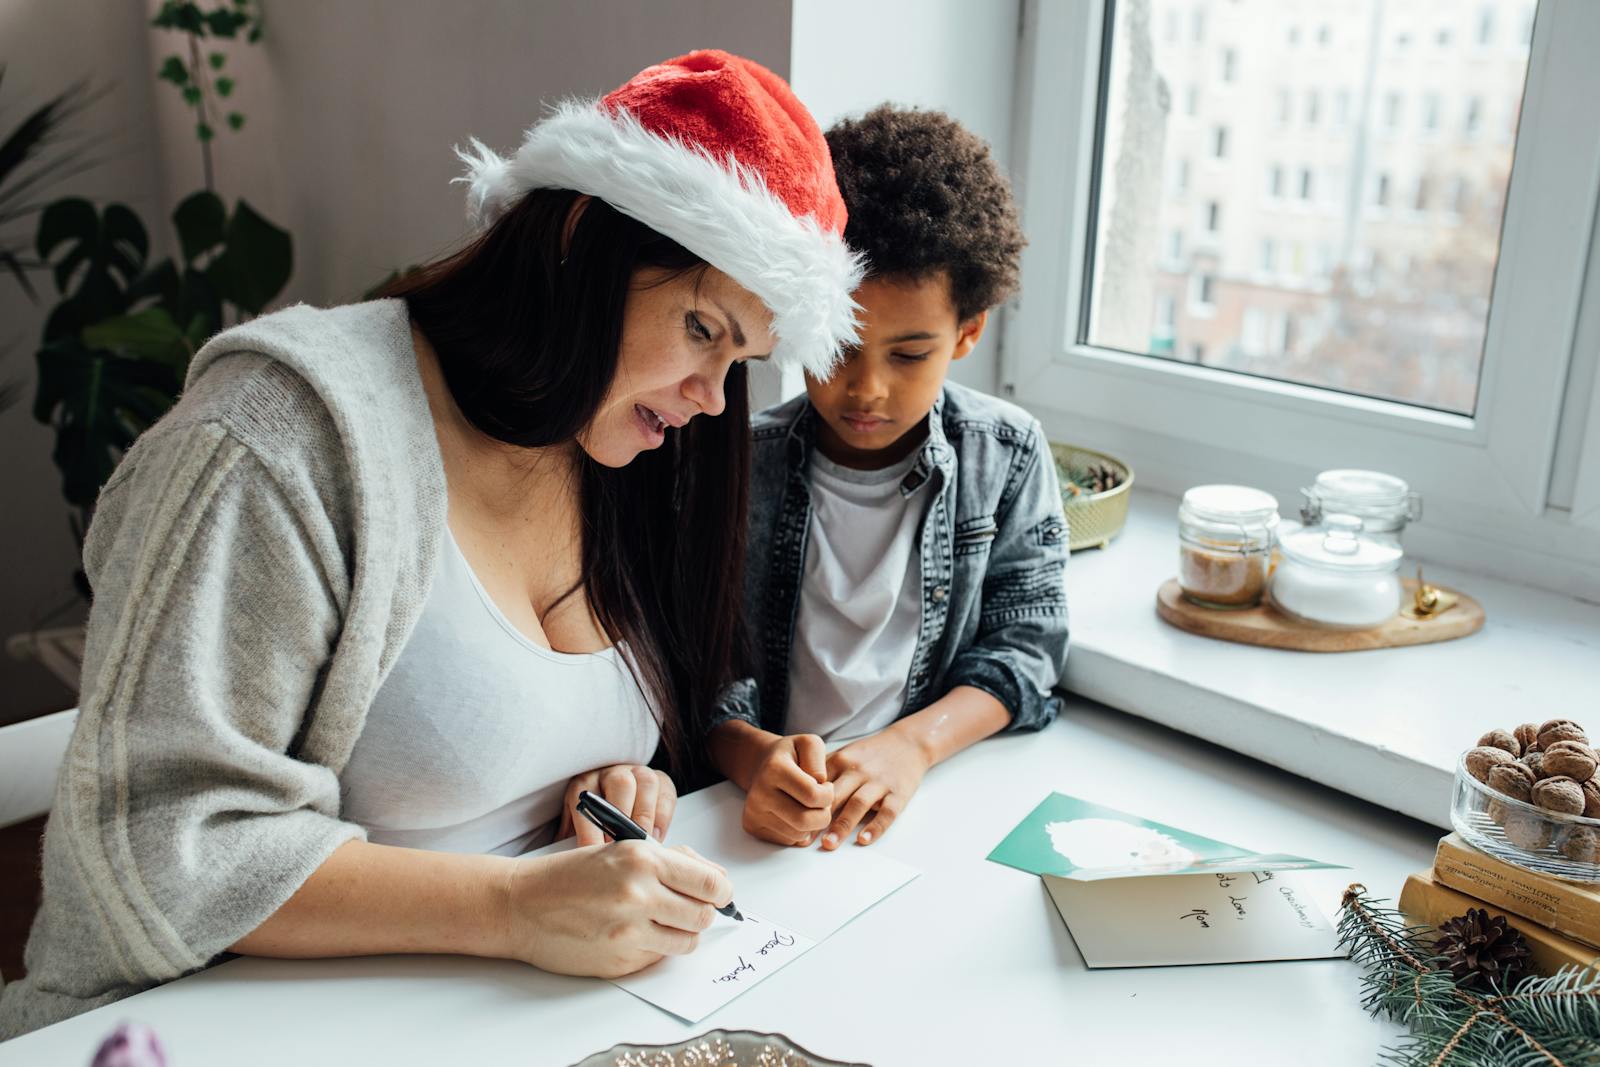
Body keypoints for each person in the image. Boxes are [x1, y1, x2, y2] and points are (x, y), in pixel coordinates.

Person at [0, 50, 862, 1038]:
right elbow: (156, 850)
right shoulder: (280, 437)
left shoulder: (617, 452)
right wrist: (511, 908)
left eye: (742, 357)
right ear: (584, 235)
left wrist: (615, 785)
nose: (716, 397)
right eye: (703, 328)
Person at [707, 105, 1069, 852]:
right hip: (747, 818)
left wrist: (913, 746)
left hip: (922, 817)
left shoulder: (1006, 455)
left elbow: (1025, 651)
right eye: (838, 344)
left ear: (967, 334)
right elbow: (682, 664)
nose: (865, 389)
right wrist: (751, 756)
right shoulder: (740, 460)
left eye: (908, 355)